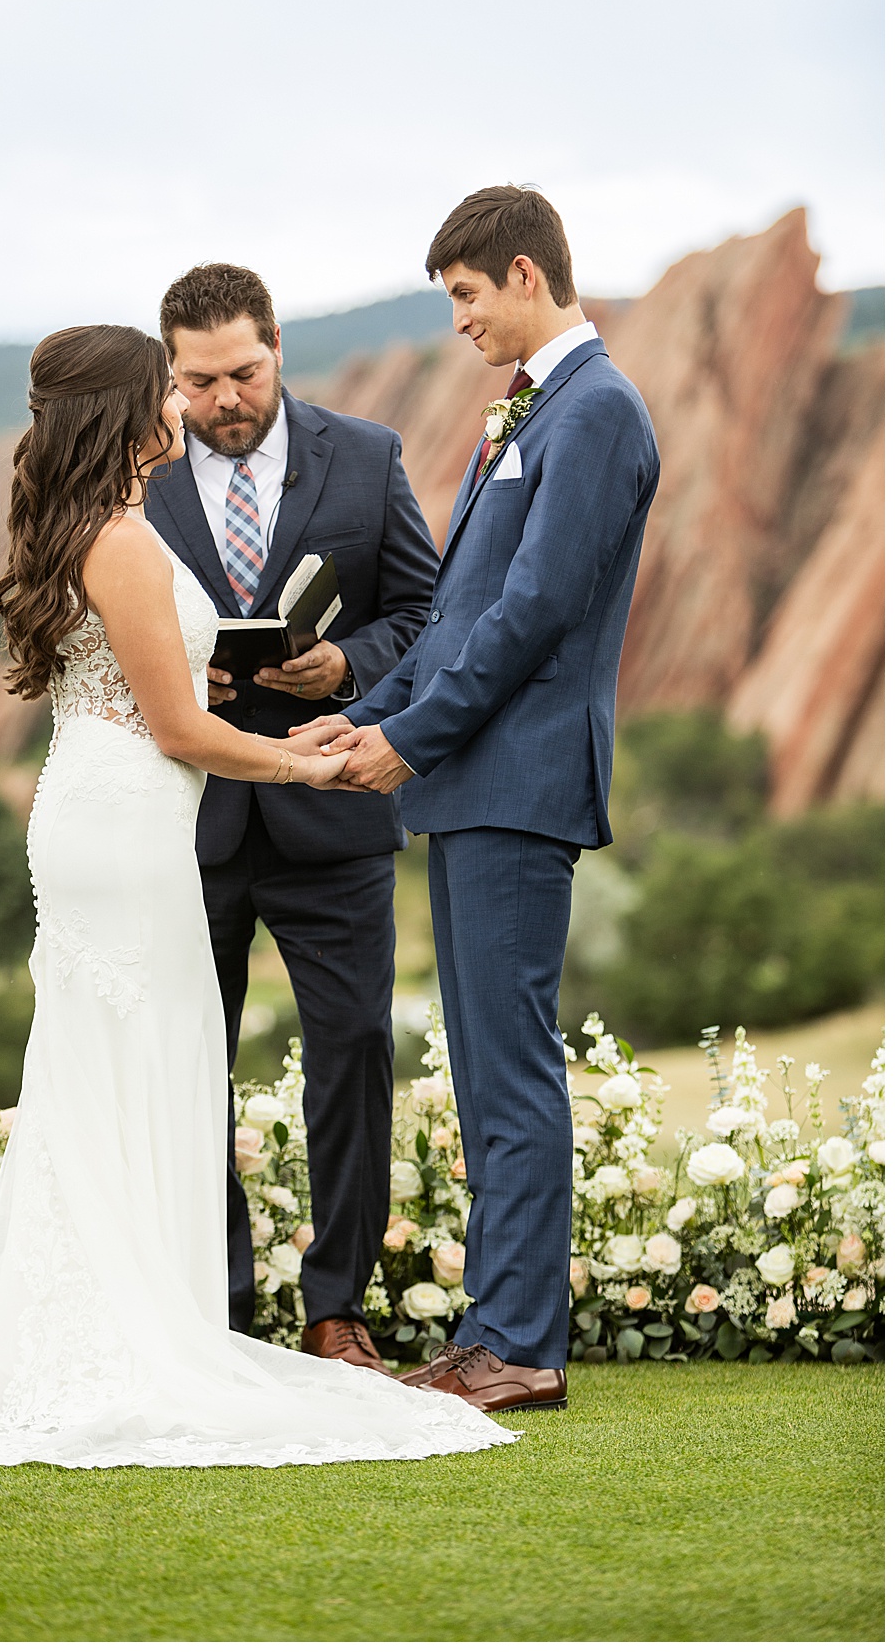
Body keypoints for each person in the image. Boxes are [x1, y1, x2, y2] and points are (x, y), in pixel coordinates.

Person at [0, 323, 513, 1469]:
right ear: (134, 410)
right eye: (168, 388)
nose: (187, 404)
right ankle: (135, 1336)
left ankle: (108, 1324)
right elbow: (180, 726)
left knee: (111, 1062)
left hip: (105, 805)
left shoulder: (91, 528)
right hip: (130, 818)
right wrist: (317, 760)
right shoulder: (124, 541)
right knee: (142, 1057)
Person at [297, 186, 661, 1414]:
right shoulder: (538, 409)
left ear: (521, 272)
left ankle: (519, 1346)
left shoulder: (598, 408)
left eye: (464, 296)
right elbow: (459, 616)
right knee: (488, 1060)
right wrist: (372, 708)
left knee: (511, 1066)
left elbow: (536, 615)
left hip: (518, 783)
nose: (457, 321)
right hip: (472, 780)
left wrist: (408, 741)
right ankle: (490, 1331)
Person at [145, 264, 438, 1365]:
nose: (223, 398)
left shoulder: (366, 455)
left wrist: (344, 663)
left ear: (278, 347)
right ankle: (213, 1305)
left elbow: (425, 610)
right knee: (185, 1058)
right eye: (199, 379)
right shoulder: (144, 470)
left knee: (354, 1047)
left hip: (334, 812)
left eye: (244, 371)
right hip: (189, 821)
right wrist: (181, 681)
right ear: (169, 372)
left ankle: (336, 1307)